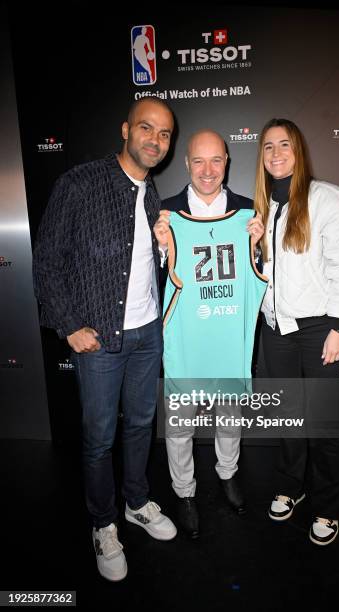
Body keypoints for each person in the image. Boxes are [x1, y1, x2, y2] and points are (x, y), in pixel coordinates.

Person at [33, 98, 177, 582]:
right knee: (98, 440)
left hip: (147, 333)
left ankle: (136, 502)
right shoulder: (80, 183)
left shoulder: (154, 193)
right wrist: (68, 324)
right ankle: (103, 523)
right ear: (125, 129)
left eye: (164, 133)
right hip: (99, 340)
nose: (155, 140)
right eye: (146, 128)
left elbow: (144, 269)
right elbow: (48, 260)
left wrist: (163, 251)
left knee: (140, 426)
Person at [254, 118, 339, 545]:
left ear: (299, 151)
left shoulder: (332, 200)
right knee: (287, 417)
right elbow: (264, 275)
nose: (276, 153)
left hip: (320, 327)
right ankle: (292, 485)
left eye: (285, 145)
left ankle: (328, 505)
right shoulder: (260, 209)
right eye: (268, 147)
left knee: (321, 423)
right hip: (276, 328)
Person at [153, 129, 264, 538]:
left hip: (227, 343)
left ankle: (227, 473)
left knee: (229, 417)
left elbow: (262, 274)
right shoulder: (164, 215)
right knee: (180, 425)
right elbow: (148, 283)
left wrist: (258, 246)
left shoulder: (248, 214)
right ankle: (184, 492)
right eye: (199, 161)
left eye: (216, 160)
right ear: (186, 164)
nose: (207, 170)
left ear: (227, 162)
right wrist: (162, 246)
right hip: (185, 344)